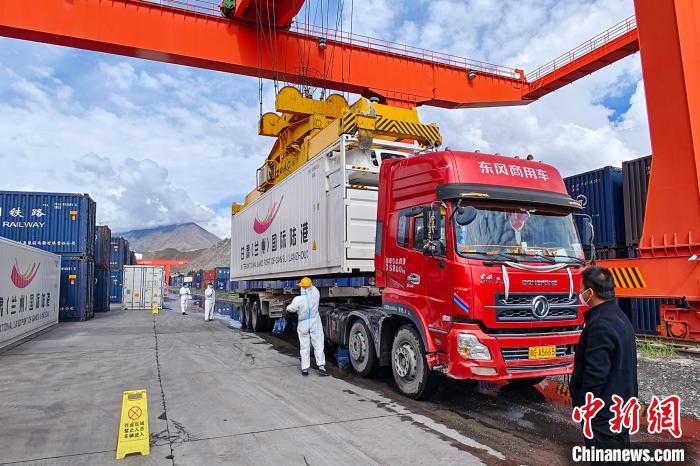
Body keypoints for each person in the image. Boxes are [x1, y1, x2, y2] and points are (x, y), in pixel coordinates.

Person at [570, 266, 638, 448]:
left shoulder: (600, 325)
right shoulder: (620, 317)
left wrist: (585, 408)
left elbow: (595, 375)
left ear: (590, 293)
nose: (579, 293)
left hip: (603, 417)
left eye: (581, 289)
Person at [286, 277, 329, 377]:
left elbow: (291, 309)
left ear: (302, 287)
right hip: (315, 322)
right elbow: (312, 288)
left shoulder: (298, 300)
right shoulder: (316, 295)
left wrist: (287, 308)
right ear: (310, 286)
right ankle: (321, 367)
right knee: (318, 344)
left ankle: (305, 368)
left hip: (303, 323)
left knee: (304, 345)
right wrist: (309, 284)